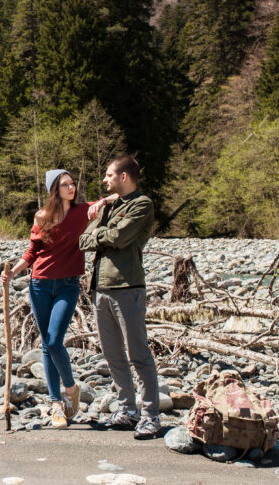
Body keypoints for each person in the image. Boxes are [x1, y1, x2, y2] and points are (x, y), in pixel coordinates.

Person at [2, 169, 114, 428]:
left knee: (54, 341)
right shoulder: (42, 216)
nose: (71, 188)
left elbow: (108, 201)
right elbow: (33, 252)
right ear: (54, 189)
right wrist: (13, 273)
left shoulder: (83, 212)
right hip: (39, 284)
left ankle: (71, 388)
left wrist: (106, 201)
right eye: (65, 184)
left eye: (73, 184)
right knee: (46, 344)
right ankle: (56, 406)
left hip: (68, 284)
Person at [78, 155, 159, 440]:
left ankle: (150, 415)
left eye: (109, 175)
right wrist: (104, 231)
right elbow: (83, 240)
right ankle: (128, 410)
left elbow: (121, 237)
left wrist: (103, 232)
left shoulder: (142, 204)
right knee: (113, 355)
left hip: (127, 287)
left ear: (124, 177)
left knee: (139, 354)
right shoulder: (108, 207)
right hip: (100, 288)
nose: (105, 180)